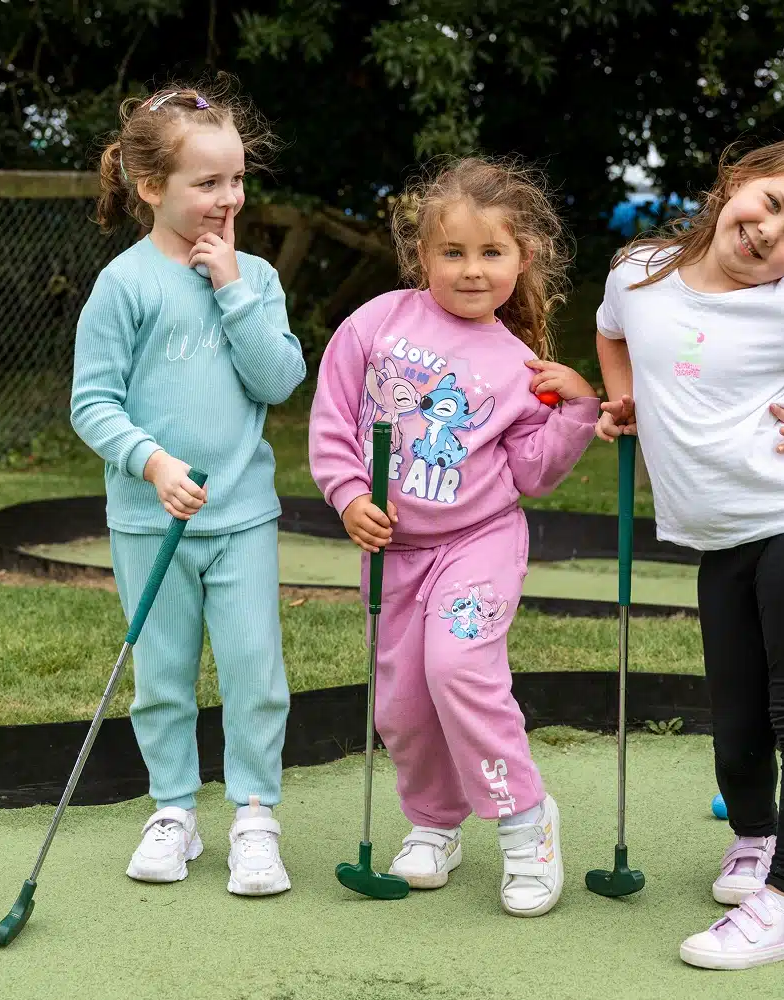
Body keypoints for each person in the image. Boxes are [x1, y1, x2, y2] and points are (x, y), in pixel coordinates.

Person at [595, 136, 784, 968]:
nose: (771, 233)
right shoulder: (641, 272)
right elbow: (612, 329)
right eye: (769, 204)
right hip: (722, 539)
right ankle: (756, 843)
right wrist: (624, 400)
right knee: (735, 721)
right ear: (736, 180)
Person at [309, 156, 600, 916]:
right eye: (453, 252)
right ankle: (435, 822)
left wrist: (574, 412)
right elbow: (335, 424)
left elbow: (533, 472)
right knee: (402, 704)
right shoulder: (374, 325)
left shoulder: (518, 364)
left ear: (521, 260)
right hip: (394, 553)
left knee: (460, 670)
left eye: (491, 253)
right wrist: (347, 498)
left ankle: (525, 822)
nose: (472, 271)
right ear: (422, 256)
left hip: (478, 542)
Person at [71, 80, 306, 896]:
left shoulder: (259, 279)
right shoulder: (124, 286)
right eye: (207, 184)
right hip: (149, 522)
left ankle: (255, 817)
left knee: (254, 672)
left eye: (236, 180)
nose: (228, 198)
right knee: (163, 676)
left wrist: (233, 287)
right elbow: (92, 404)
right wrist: (154, 463)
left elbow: (277, 380)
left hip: (242, 517)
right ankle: (173, 809)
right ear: (150, 188)